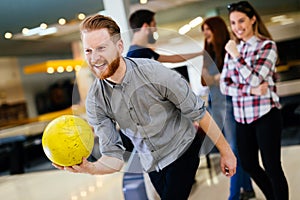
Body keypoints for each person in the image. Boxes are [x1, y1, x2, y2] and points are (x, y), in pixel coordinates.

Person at [53, 14, 237, 200]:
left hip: (182, 148)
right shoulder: (95, 100)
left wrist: (226, 151)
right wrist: (90, 168)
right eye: (88, 50)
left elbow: (198, 112)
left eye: (101, 48)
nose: (94, 58)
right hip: (151, 163)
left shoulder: (154, 72)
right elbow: (114, 157)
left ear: (119, 47)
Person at [220, 1, 289, 199]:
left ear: (252, 20)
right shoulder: (232, 48)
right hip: (242, 117)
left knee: (273, 167)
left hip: (265, 113)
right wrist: (251, 90)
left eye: (241, 21)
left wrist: (236, 56)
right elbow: (225, 85)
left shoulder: (267, 46)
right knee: (249, 164)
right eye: (233, 23)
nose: (237, 27)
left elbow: (256, 77)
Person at [201, 16, 255, 200]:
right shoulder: (209, 52)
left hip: (230, 104)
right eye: (204, 30)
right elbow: (205, 79)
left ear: (217, 29)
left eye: (208, 29)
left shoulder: (229, 48)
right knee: (232, 147)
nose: (205, 33)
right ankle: (247, 188)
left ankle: (233, 195)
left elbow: (233, 76)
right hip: (216, 104)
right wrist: (215, 78)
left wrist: (215, 78)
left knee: (232, 149)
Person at [127, 9, 203, 62]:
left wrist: (200, 53)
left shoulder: (145, 51)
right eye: (154, 25)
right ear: (146, 26)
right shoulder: (135, 55)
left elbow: (173, 59)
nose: (155, 29)